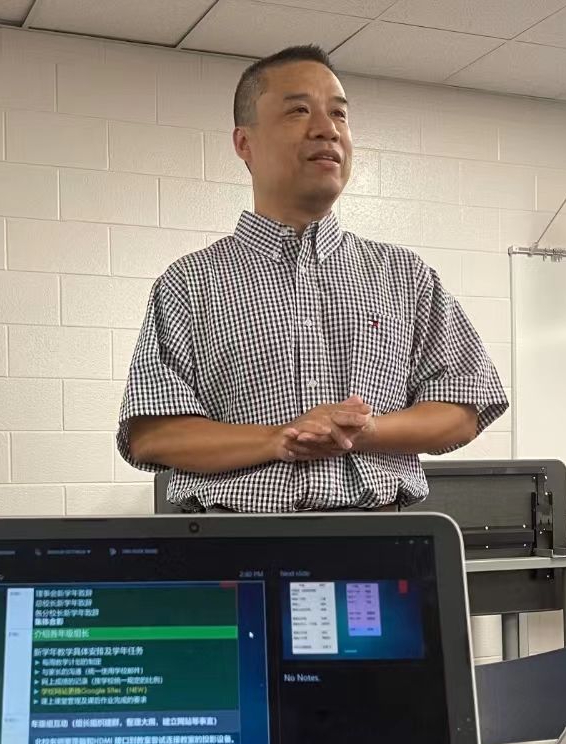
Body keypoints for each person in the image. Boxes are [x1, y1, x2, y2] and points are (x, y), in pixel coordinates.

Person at [117, 44, 508, 513]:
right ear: (244, 143)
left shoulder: (406, 276)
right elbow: (152, 434)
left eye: (339, 114)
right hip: (236, 540)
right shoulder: (188, 283)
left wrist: (364, 432)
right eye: (299, 111)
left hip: (380, 539)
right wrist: (278, 439)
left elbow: (463, 408)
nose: (327, 129)